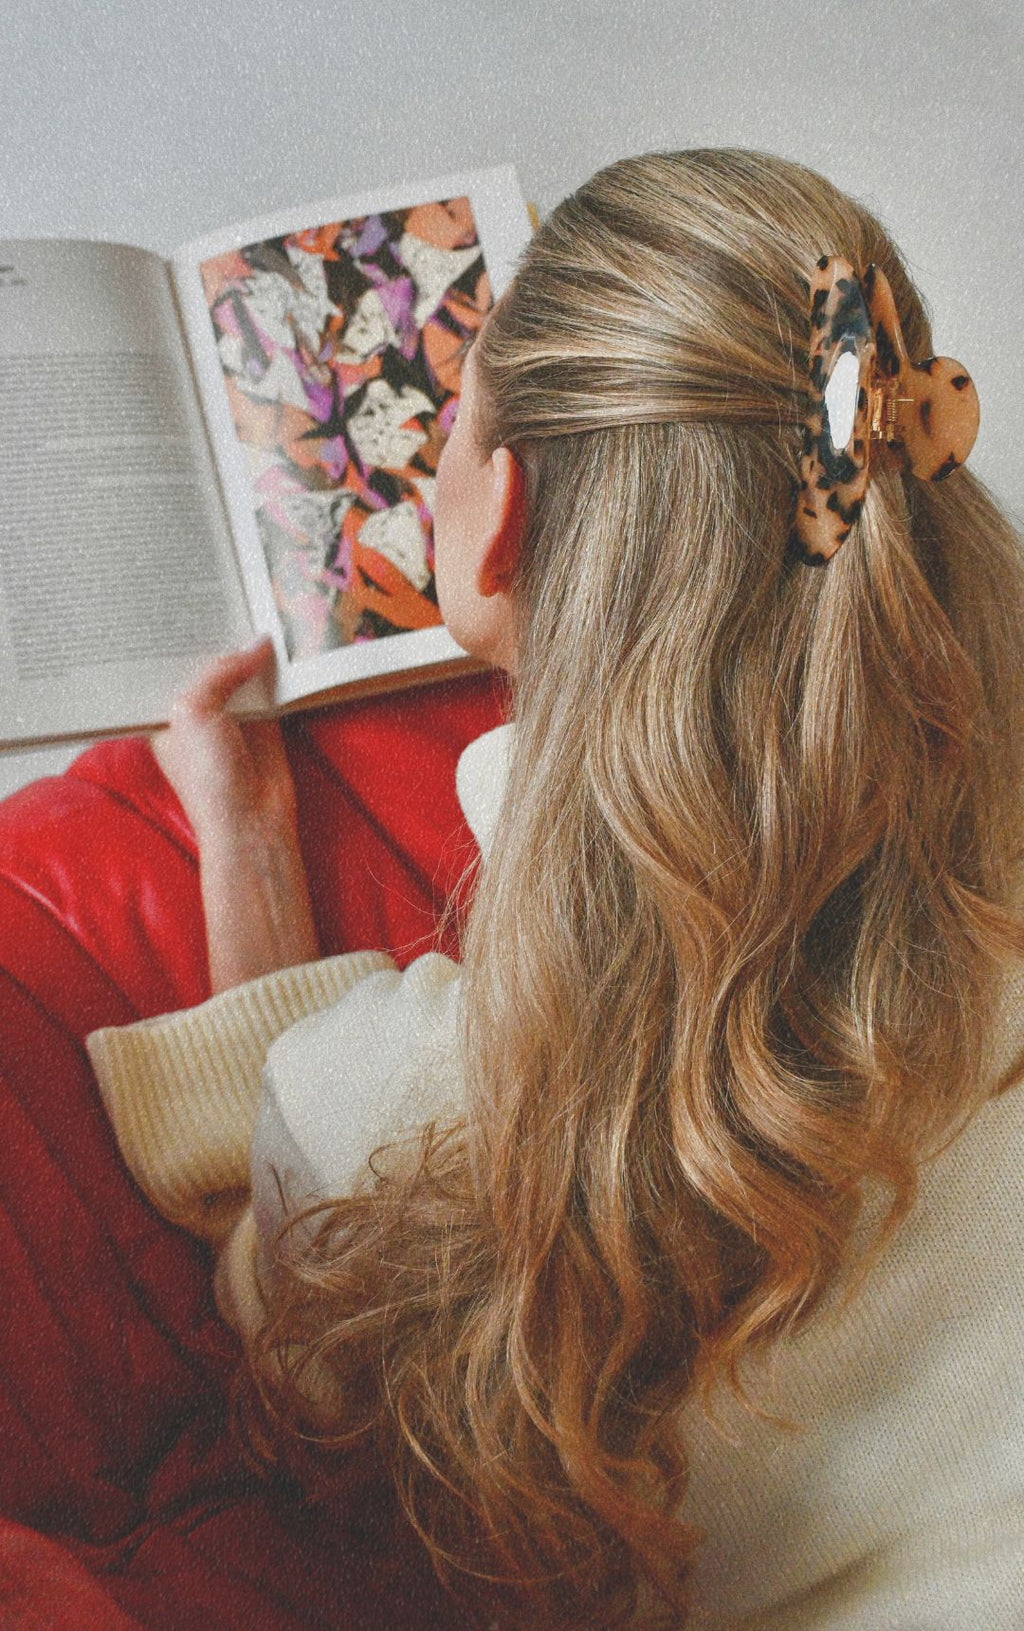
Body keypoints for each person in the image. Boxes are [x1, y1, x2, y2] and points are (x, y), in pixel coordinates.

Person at [86, 149, 1024, 1629]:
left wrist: (247, 837)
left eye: (446, 432)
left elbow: (295, 1296)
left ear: (500, 509)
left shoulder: (457, 1119)